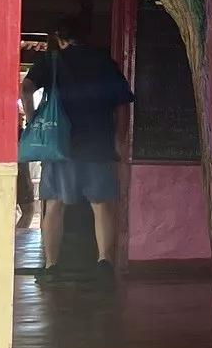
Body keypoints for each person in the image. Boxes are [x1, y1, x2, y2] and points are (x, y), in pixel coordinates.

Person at [21, 18, 133, 282]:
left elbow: (26, 90)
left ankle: (51, 267)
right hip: (97, 142)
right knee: (102, 206)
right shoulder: (103, 61)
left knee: (54, 206)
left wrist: (33, 118)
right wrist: (118, 137)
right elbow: (122, 102)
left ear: (60, 37)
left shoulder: (51, 61)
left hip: (60, 144)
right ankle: (104, 262)